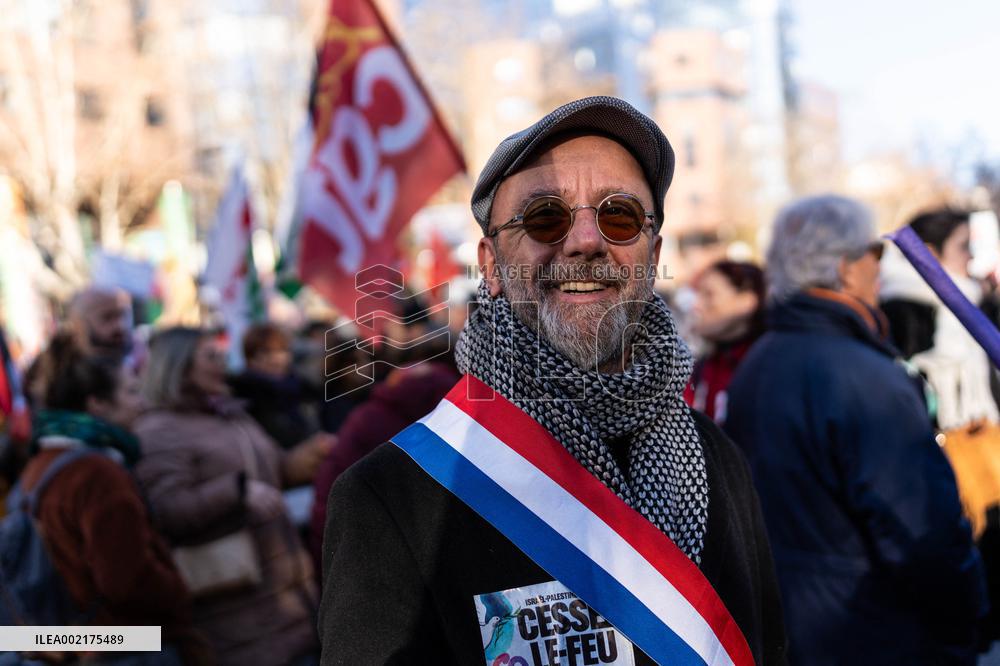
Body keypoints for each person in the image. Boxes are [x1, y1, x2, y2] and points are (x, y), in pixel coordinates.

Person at [319, 97, 786, 665]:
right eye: (545, 217)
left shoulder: (719, 459)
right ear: (490, 266)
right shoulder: (392, 495)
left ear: (651, 252)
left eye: (619, 216)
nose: (586, 240)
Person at [724, 195, 987, 664]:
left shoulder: (757, 363)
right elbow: (925, 537)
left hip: (796, 631)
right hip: (879, 633)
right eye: (875, 252)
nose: (880, 267)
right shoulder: (864, 376)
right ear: (845, 268)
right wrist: (966, 625)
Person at [134, 327, 329, 666]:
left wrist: (305, 459)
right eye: (210, 356)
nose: (223, 362)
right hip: (236, 612)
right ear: (177, 365)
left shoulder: (230, 415)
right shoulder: (159, 431)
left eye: (222, 353)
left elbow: (270, 473)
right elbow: (166, 510)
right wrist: (234, 492)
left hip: (287, 601)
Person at [16, 331, 210, 664]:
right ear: (97, 404)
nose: (142, 402)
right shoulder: (96, 473)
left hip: (90, 641)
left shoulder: (42, 461)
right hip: (127, 646)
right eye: (131, 391)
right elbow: (127, 581)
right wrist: (177, 590)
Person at [881, 208, 999, 431]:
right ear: (929, 253)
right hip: (933, 444)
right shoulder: (901, 310)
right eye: (963, 246)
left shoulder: (978, 300)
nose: (971, 256)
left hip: (988, 441)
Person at [684, 260, 766, 422]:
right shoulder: (701, 368)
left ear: (746, 302)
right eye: (697, 294)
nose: (696, 306)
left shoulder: (767, 367)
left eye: (709, 294)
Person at [229, 322, 321, 449]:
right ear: (250, 358)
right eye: (266, 352)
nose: (276, 359)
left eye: (282, 350)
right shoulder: (242, 397)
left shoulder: (305, 389)